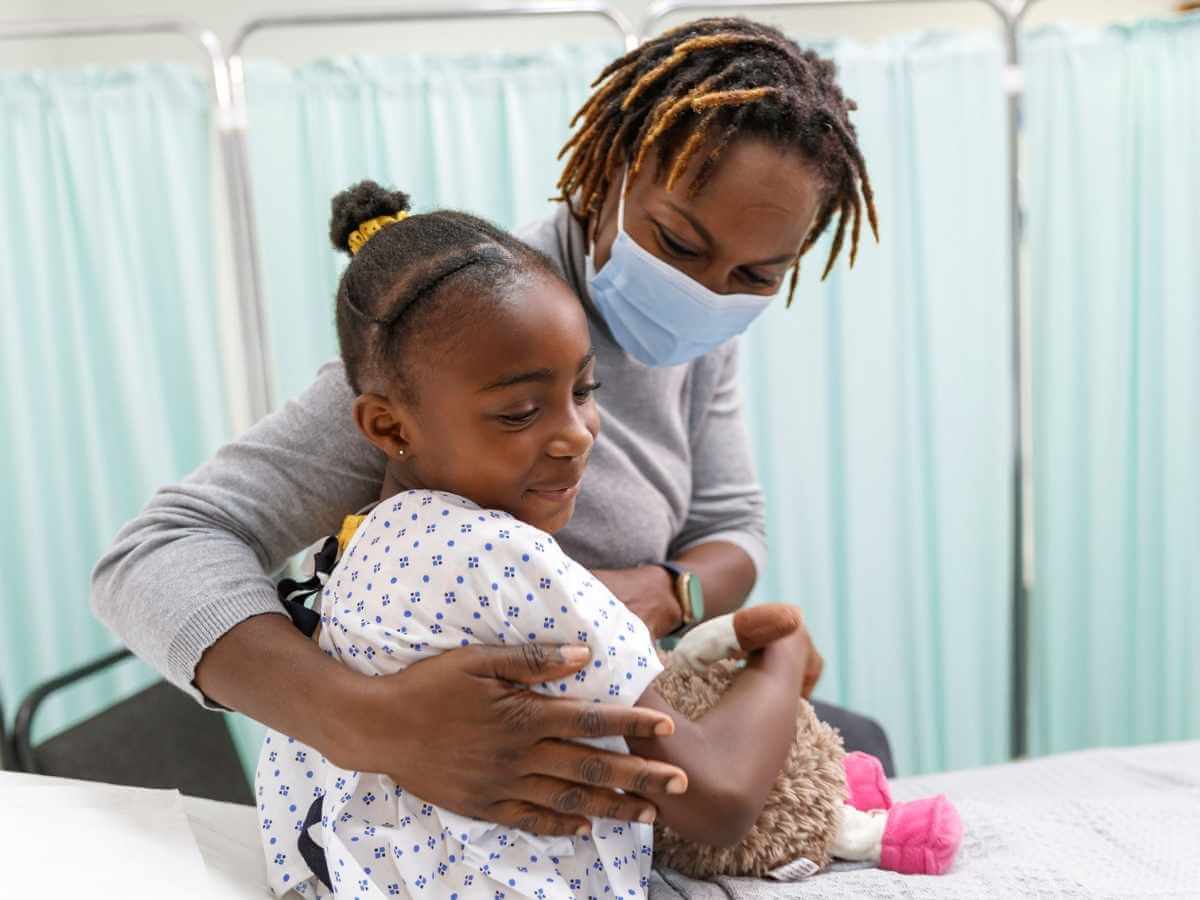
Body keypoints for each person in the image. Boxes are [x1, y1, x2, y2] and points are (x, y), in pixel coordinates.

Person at [92, 17, 893, 840]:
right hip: (462, 804)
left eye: (757, 275)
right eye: (679, 243)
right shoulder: (465, 339)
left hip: (622, 715)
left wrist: (665, 590)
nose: (706, 291)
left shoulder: (697, 338)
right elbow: (154, 554)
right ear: (608, 172)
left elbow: (733, 526)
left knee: (860, 746)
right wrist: (366, 721)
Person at [259, 184, 952, 900]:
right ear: (389, 428)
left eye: (585, 391)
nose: (577, 434)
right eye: (522, 411)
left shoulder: (348, 557)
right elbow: (718, 799)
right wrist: (781, 657)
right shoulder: (505, 559)